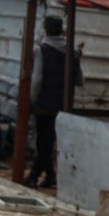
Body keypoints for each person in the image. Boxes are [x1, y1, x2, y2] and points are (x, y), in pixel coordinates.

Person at [25, 15, 82, 189]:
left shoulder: (41, 50)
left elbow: (37, 78)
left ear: (46, 29)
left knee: (44, 140)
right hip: (63, 102)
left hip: (44, 102)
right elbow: (80, 80)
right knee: (47, 140)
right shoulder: (72, 51)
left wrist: (32, 99)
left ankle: (34, 175)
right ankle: (50, 176)